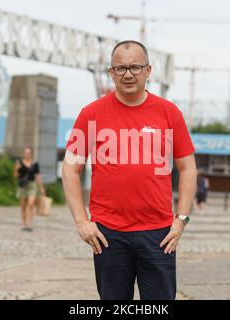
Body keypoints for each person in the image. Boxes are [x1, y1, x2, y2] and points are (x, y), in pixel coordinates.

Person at [63, 40, 197, 300]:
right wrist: (81, 221)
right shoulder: (90, 114)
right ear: (111, 73)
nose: (128, 74)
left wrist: (181, 220)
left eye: (135, 67)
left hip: (159, 233)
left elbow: (188, 167)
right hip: (107, 234)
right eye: (120, 68)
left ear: (148, 71)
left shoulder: (169, 113)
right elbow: (70, 169)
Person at [14, 147, 45, 232]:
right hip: (22, 186)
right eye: (26, 153)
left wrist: (41, 188)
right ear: (23, 154)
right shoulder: (19, 163)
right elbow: (15, 176)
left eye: (28, 152)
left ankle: (29, 224)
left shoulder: (35, 164)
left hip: (32, 185)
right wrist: (16, 169)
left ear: (31, 154)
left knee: (31, 204)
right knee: (23, 206)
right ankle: (24, 224)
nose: (27, 154)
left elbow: (38, 176)